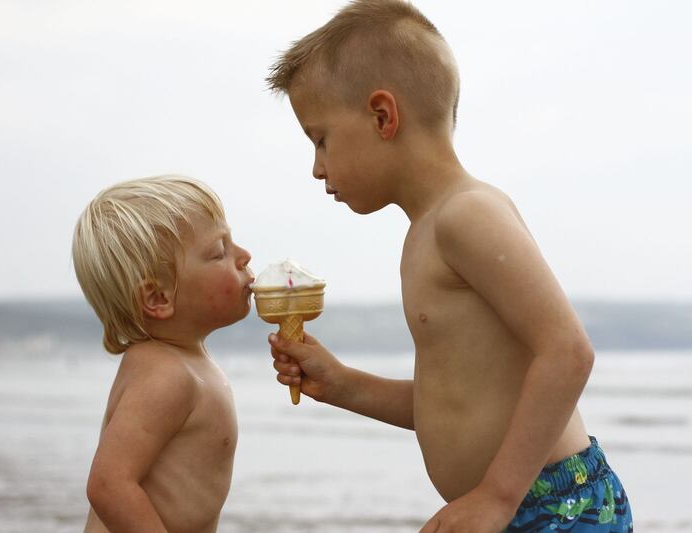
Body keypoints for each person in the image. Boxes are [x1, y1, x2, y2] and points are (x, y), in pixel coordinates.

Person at [265, 1, 632, 531]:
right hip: (514, 504)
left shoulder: (468, 214)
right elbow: (453, 406)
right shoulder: (426, 233)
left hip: (554, 507)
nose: (317, 167)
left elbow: (568, 351)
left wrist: (497, 496)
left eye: (320, 139)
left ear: (382, 116)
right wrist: (344, 385)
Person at [71, 175, 254, 532]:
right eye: (219, 251)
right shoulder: (165, 374)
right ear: (158, 298)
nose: (244, 256)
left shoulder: (183, 361)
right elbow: (109, 485)